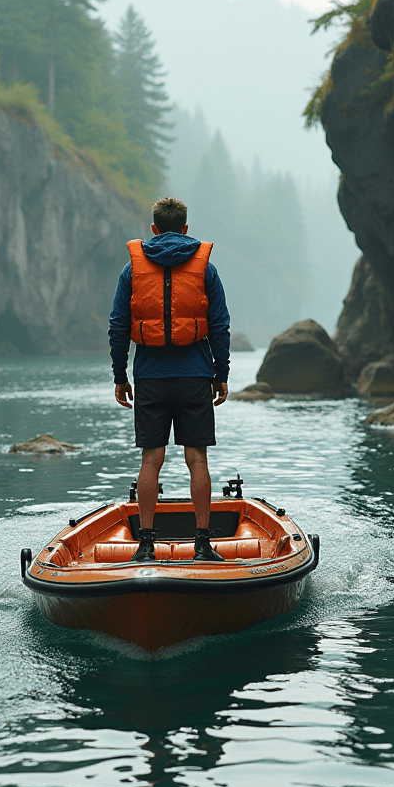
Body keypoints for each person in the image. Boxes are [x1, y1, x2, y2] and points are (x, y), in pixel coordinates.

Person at [108, 196, 230, 562]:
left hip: (149, 376)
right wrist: (220, 373)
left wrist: (119, 375)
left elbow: (118, 325)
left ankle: (145, 545)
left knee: (151, 460)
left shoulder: (132, 269)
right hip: (194, 375)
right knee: (197, 459)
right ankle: (203, 545)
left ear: (154, 229)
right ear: (187, 229)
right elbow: (220, 325)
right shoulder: (205, 266)